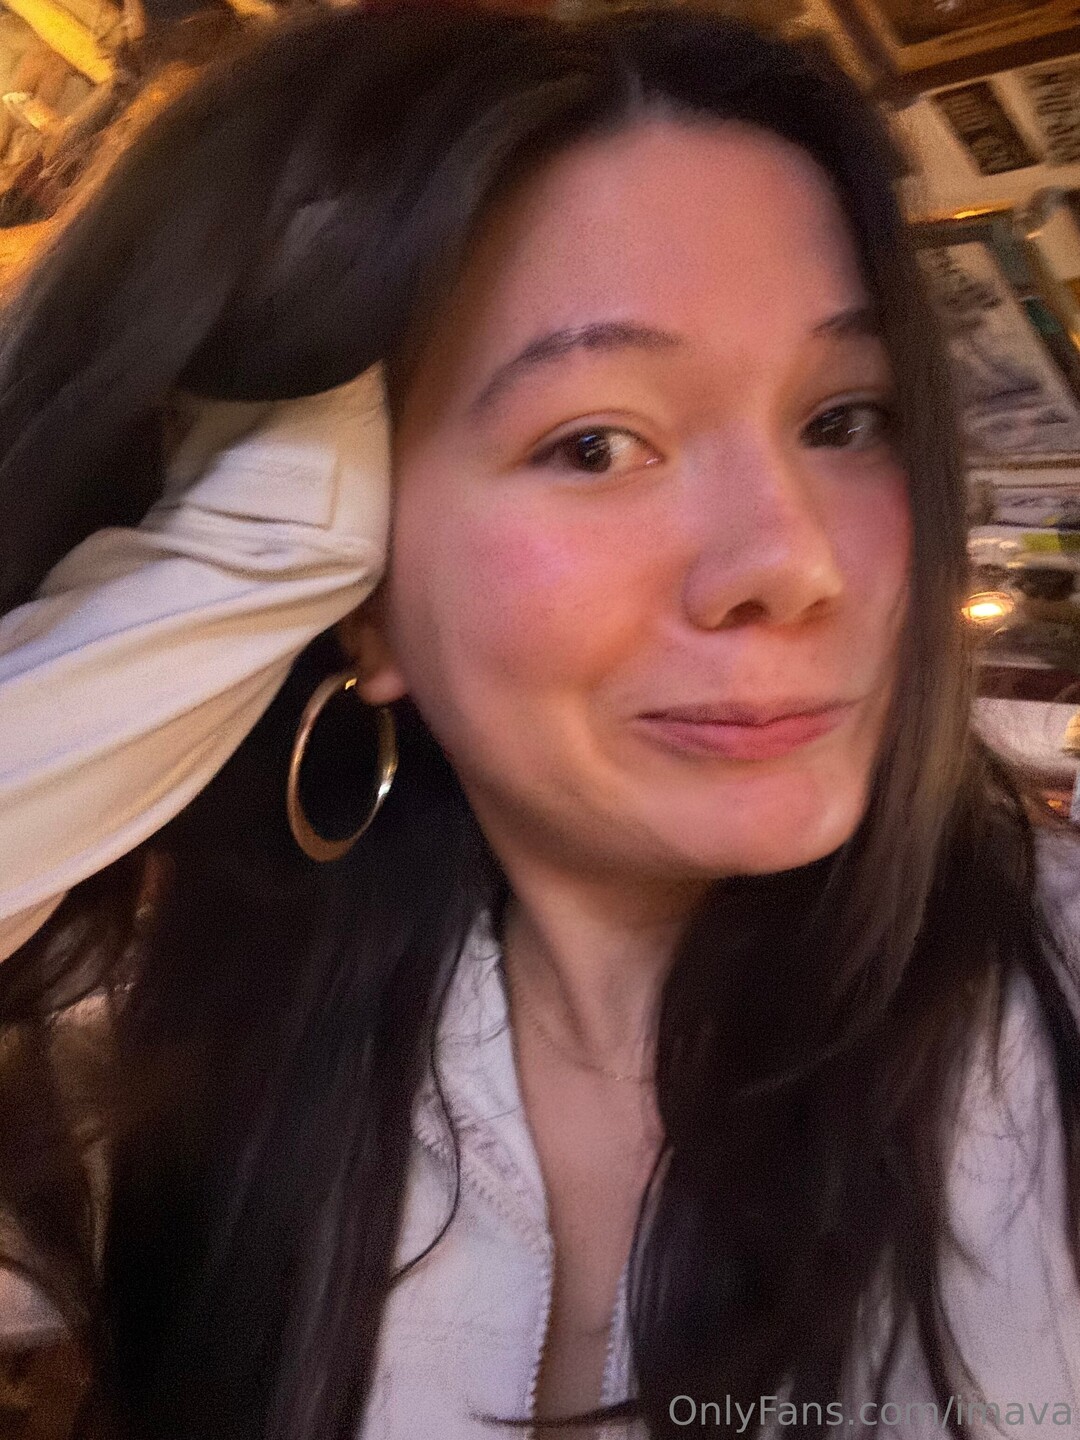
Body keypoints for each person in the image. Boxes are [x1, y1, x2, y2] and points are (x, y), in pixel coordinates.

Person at [0, 4, 1078, 1437]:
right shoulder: (172, 1066)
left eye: (844, 420)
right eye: (595, 443)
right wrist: (225, 571)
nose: (798, 562)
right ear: (360, 585)